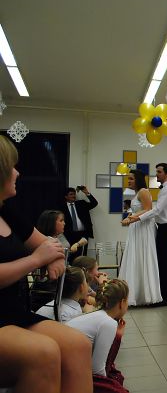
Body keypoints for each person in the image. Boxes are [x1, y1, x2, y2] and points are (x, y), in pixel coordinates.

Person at [0, 135, 92, 393]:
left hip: (12, 313)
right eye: (12, 167)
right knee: (44, 352)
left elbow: (51, 246)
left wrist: (52, 256)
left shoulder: (7, 212)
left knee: (78, 345)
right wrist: (35, 260)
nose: (17, 173)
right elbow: (40, 252)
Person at [129, 163, 167, 306]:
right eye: (156, 172)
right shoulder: (166, 189)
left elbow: (156, 210)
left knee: (164, 263)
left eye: (159, 172)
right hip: (164, 227)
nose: (156, 174)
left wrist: (136, 218)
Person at [67, 279, 129, 393]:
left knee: (115, 377)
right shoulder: (108, 323)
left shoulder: (98, 316)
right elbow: (97, 370)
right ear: (122, 302)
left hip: (64, 365)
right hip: (69, 373)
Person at [120, 169, 162, 306]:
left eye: (131, 179)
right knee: (135, 258)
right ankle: (135, 294)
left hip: (143, 229)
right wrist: (129, 217)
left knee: (143, 257)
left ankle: (146, 294)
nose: (129, 181)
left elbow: (148, 209)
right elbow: (138, 210)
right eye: (128, 179)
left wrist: (131, 218)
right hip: (137, 227)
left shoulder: (144, 191)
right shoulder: (136, 193)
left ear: (138, 179)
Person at [60, 186, 98, 256]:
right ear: (66, 196)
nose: (73, 196)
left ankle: (82, 267)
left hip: (83, 234)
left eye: (74, 194)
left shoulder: (81, 204)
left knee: (83, 254)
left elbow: (94, 203)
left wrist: (86, 192)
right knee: (71, 254)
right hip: (69, 234)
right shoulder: (61, 207)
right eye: (71, 194)